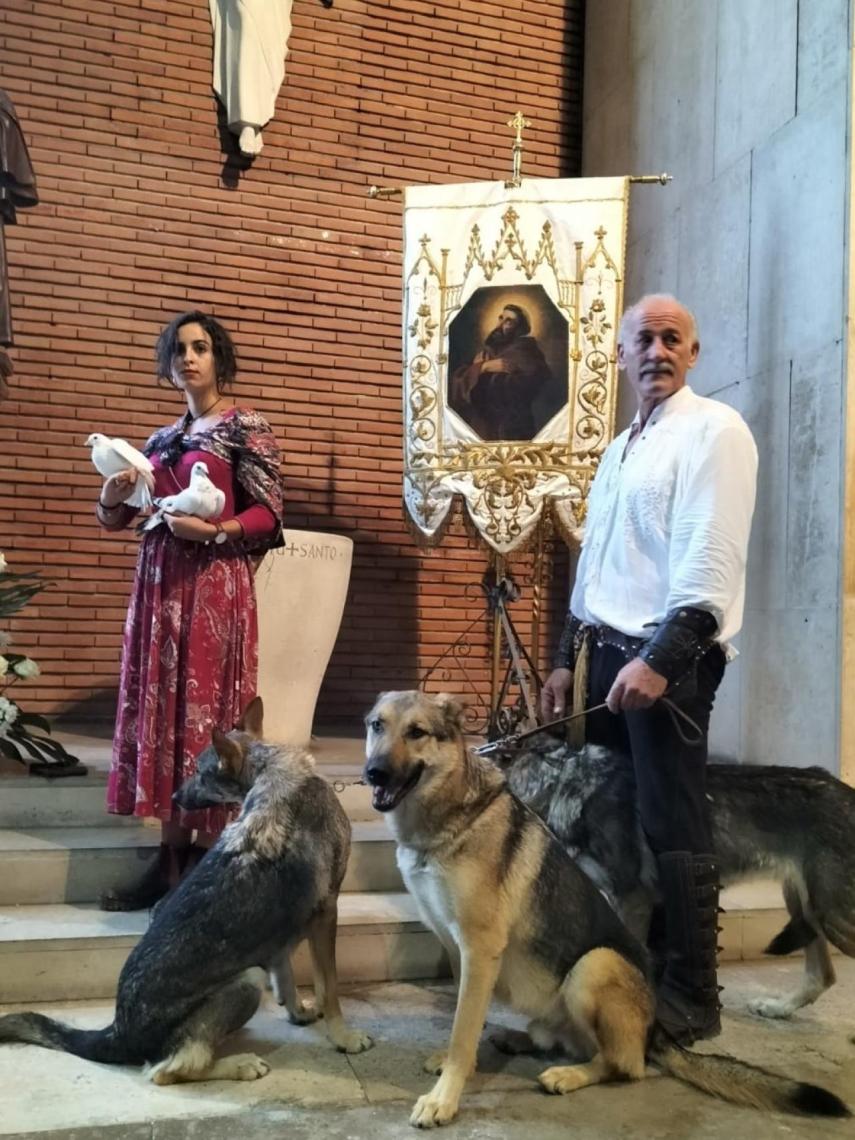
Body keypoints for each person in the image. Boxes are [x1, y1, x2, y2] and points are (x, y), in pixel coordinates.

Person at [541, 293, 758, 1044]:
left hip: (669, 658)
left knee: (672, 821)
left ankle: (692, 993)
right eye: (644, 338)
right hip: (606, 657)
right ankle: (630, 972)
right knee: (614, 822)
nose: (657, 351)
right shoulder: (621, 446)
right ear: (622, 354)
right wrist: (567, 658)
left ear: (692, 354)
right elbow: (599, 555)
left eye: (673, 339)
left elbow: (711, 551)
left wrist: (663, 656)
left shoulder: (713, 430)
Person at [96, 311, 285, 910]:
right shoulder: (155, 441)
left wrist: (217, 530)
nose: (188, 358)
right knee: (162, 715)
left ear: (219, 358)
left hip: (213, 584)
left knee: (207, 717)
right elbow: (123, 517)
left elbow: (270, 514)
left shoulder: (244, 426)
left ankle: (207, 859)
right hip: (158, 587)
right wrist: (111, 497)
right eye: (178, 349)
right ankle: (169, 855)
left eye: (200, 347)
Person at [450, 303, 553, 440]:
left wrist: (480, 371)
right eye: (501, 318)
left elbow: (505, 394)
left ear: (519, 328)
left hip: (511, 430)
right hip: (481, 428)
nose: (500, 324)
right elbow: (456, 384)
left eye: (508, 321)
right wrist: (483, 367)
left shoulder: (527, 353)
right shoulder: (489, 352)